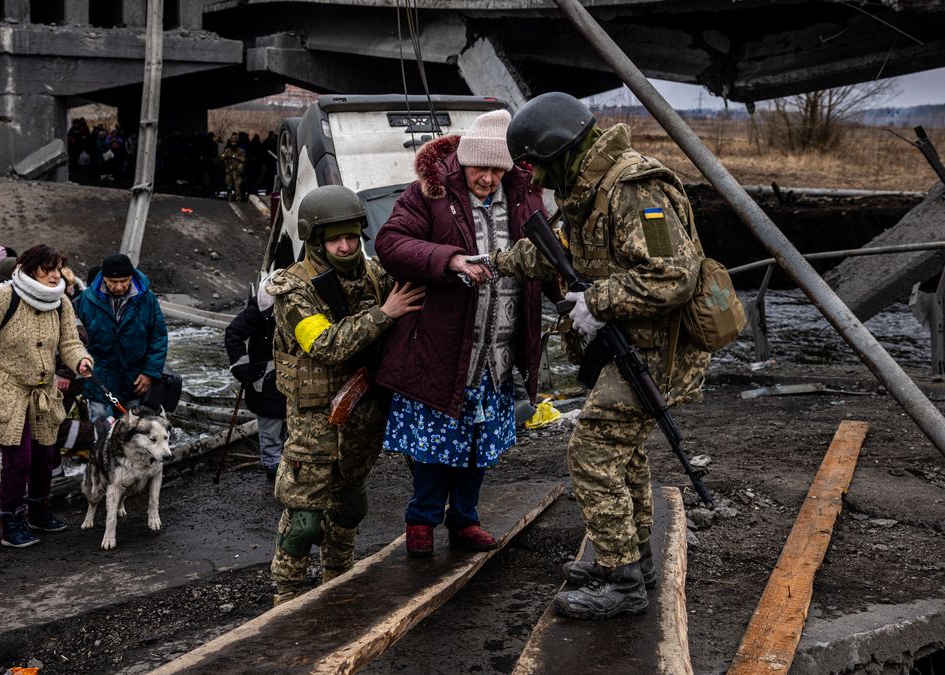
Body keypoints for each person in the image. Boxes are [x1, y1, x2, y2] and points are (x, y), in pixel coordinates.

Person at [491, 92, 712, 620]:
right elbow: (558, 249)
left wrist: (596, 299)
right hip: (629, 345)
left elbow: (674, 275)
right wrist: (490, 262)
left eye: (538, 166)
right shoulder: (588, 190)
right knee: (622, 454)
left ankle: (623, 582)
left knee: (590, 453)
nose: (537, 181)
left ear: (560, 150)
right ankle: (632, 561)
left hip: (660, 352)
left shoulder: (638, 190)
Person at [374, 109, 550, 557]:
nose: (488, 178)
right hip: (442, 346)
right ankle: (422, 520)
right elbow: (390, 243)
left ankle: (465, 519)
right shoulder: (429, 194)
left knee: (479, 443)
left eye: (497, 169)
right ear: (464, 161)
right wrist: (450, 260)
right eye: (480, 168)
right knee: (435, 445)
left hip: (497, 351)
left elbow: (546, 253)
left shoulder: (525, 197)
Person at [265, 185, 424, 605]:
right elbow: (324, 345)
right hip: (314, 424)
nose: (346, 245)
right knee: (303, 521)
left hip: (362, 418)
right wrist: (384, 314)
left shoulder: (374, 275)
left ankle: (339, 582)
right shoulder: (293, 291)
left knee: (350, 509)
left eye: (352, 236)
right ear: (315, 240)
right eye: (335, 238)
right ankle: (287, 596)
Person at [0, 244, 92, 548]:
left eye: (59, 269)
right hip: (8, 388)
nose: (56, 275)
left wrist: (80, 361)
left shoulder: (61, 301)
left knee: (45, 455)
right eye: (50, 269)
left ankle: (39, 511)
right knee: (19, 459)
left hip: (44, 392)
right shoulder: (3, 296)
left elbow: (70, 343)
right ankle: (11, 522)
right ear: (31, 268)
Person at [76, 253, 168, 425]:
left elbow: (158, 337)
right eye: (112, 282)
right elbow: (73, 335)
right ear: (104, 278)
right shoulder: (86, 299)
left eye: (124, 281)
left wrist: (149, 373)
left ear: (131, 276)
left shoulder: (147, 299)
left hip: (134, 377)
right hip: (98, 376)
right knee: (100, 427)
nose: (118, 287)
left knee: (133, 428)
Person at [224, 277, 288, 482]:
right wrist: (242, 366)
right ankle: (273, 471)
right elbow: (234, 333)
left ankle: (290, 471)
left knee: (292, 430)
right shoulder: (262, 304)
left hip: (294, 379)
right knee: (270, 430)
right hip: (265, 380)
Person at [220, 133, 246, 201]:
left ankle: (238, 201)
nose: (233, 143)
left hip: (236, 172)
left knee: (238, 188)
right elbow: (222, 157)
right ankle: (229, 200)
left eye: (234, 142)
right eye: (232, 142)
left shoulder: (240, 151)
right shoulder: (227, 150)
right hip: (229, 171)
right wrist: (225, 156)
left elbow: (244, 160)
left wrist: (235, 157)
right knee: (229, 187)